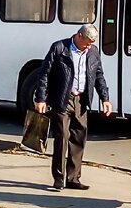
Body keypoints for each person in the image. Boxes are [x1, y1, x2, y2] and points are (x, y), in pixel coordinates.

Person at [34, 24, 112, 191]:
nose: (89, 46)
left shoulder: (93, 52)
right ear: (79, 36)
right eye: (87, 42)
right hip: (62, 98)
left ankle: (73, 178)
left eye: (92, 43)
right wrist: (41, 98)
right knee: (62, 136)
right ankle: (58, 177)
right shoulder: (60, 48)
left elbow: (98, 75)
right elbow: (44, 74)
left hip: (81, 100)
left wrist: (105, 98)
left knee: (78, 138)